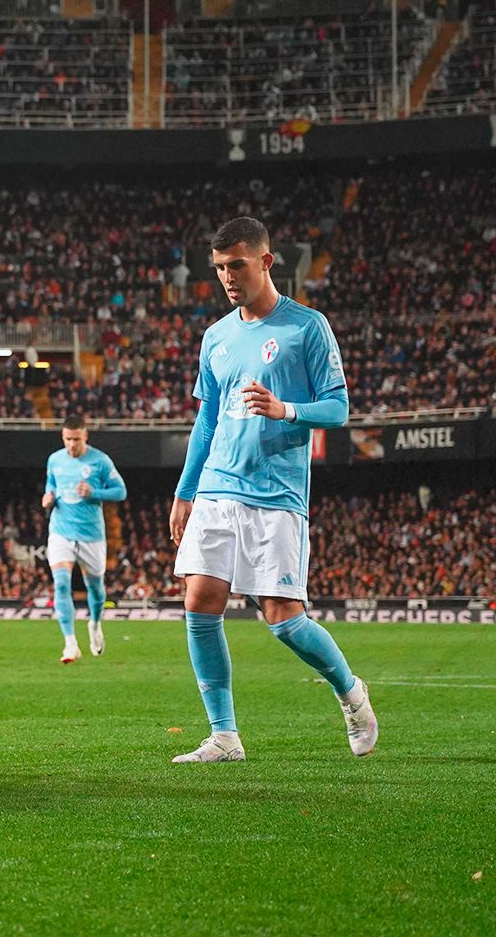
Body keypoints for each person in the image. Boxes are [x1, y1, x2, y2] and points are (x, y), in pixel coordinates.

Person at [168, 217, 377, 763]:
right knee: (199, 602)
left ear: (266, 261)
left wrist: (287, 409)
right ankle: (224, 736)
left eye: (236, 265)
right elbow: (207, 419)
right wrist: (186, 490)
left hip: (275, 492)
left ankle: (350, 692)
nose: (227, 278)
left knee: (284, 619)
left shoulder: (307, 327)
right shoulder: (216, 337)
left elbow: (337, 407)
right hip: (217, 487)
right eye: (218, 269)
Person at [43, 414, 127, 663]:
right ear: (63, 437)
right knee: (60, 584)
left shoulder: (100, 461)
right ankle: (70, 644)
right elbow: (50, 485)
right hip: (60, 531)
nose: (72, 444)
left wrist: (94, 492)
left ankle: (95, 622)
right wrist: (47, 497)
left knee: (96, 589)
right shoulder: (55, 460)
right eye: (68, 439)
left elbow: (121, 491)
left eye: (76, 439)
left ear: (85, 436)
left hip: (91, 534)